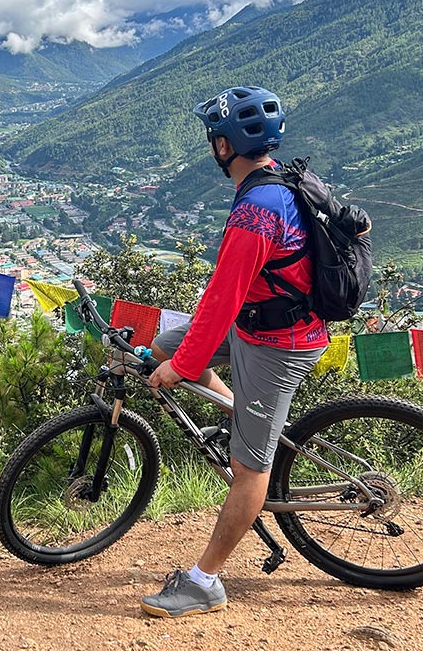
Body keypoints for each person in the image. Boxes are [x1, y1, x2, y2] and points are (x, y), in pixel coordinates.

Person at [139, 86, 328, 618]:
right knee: (163, 344)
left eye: (212, 138)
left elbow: (220, 301)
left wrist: (185, 368)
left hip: (278, 344)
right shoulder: (283, 180)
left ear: (224, 146)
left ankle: (204, 582)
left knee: (250, 470)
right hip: (257, 325)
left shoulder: (255, 214)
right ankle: (236, 418)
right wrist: (177, 357)